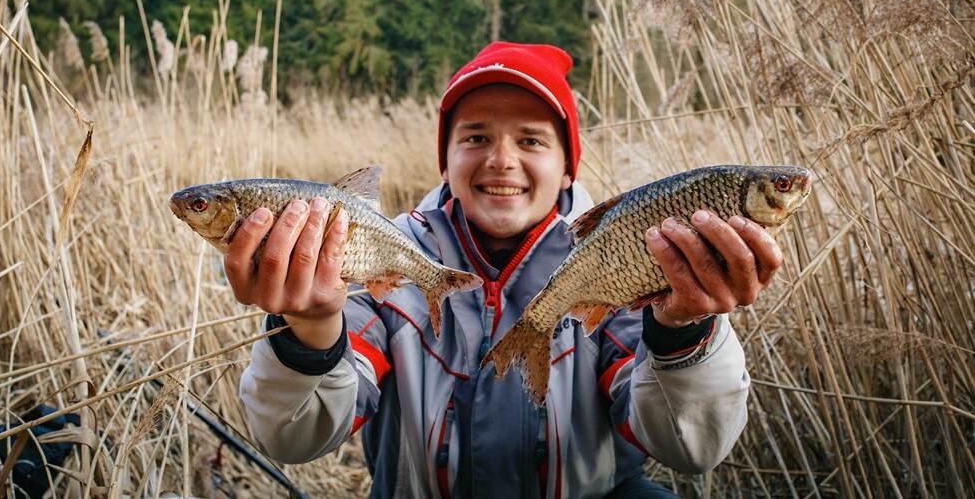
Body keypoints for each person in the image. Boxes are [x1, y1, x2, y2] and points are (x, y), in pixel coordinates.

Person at [230, 42, 784, 498]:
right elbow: (293, 438)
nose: (501, 159)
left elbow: (689, 449)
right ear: (444, 159)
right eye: (475, 137)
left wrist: (685, 329)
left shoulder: (626, 256)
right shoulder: (384, 257)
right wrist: (308, 331)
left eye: (531, 140)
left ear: (568, 168)